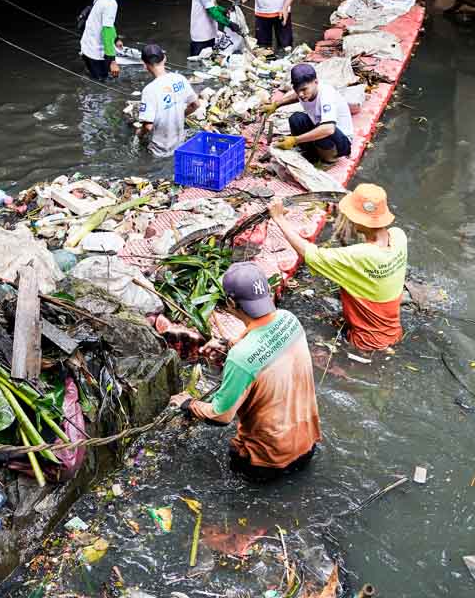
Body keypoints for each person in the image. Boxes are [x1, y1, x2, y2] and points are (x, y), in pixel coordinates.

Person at [169, 262, 321, 481]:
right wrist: (227, 343)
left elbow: (221, 416)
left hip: (266, 462)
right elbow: (265, 342)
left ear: (230, 302)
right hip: (307, 447)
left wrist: (187, 403)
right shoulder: (290, 320)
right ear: (267, 292)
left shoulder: (241, 358)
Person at [269, 184, 408, 353]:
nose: (348, 217)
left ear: (361, 220)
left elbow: (309, 253)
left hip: (365, 344)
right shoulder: (399, 236)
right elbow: (370, 255)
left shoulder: (360, 255)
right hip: (394, 334)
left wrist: (279, 219)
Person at [264, 63, 353, 164]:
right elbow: (295, 96)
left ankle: (329, 159)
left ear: (316, 82)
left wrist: (295, 140)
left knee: (322, 130)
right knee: (296, 118)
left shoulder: (326, 94)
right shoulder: (305, 92)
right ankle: (310, 154)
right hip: (320, 127)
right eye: (297, 90)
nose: (300, 94)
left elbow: (329, 129)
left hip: (341, 141)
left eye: (304, 89)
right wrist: (276, 104)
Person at [136, 43, 199, 157]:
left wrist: (139, 134)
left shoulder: (149, 90)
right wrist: (180, 115)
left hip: (159, 152)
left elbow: (148, 126)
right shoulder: (180, 79)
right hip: (180, 146)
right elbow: (195, 105)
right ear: (165, 58)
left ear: (145, 65)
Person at [80, 0, 136, 82]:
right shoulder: (111, 3)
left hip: (86, 47)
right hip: (95, 53)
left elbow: (106, 24)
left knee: (92, 78)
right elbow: (107, 32)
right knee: (102, 84)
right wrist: (112, 61)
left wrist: (115, 39)